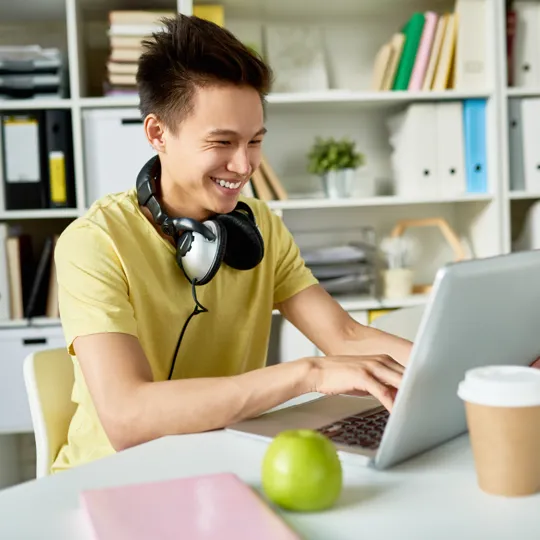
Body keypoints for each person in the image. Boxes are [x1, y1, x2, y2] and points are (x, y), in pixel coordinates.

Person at [51, 13, 412, 474]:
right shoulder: (93, 243)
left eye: (255, 141)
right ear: (157, 133)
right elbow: (128, 417)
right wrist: (310, 372)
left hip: (223, 461)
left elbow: (346, 336)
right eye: (222, 142)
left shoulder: (260, 225)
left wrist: (476, 370)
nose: (244, 166)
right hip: (111, 478)